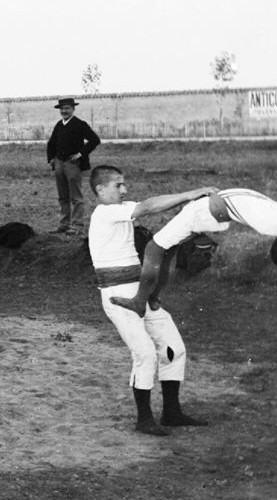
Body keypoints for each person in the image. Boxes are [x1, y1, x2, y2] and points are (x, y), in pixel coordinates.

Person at [111, 177, 277, 317]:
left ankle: (139, 301)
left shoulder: (276, 221)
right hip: (210, 214)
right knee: (170, 250)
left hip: (201, 213)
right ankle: (154, 295)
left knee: (154, 250)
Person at [88, 165, 217, 435]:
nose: (125, 190)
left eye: (124, 185)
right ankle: (144, 420)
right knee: (145, 353)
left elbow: (150, 209)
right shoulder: (105, 213)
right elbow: (147, 207)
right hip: (117, 295)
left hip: (139, 293)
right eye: (118, 185)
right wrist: (191, 194)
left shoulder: (118, 212)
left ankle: (171, 412)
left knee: (174, 347)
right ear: (100, 190)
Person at [46, 97, 101, 235]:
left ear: (73, 109)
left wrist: (80, 154)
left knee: (76, 196)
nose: (64, 111)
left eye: (67, 108)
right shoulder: (59, 125)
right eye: (62, 109)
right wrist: (51, 158)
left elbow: (95, 140)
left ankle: (77, 226)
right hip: (59, 164)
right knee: (63, 196)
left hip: (73, 164)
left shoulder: (80, 124)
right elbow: (51, 143)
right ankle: (64, 224)